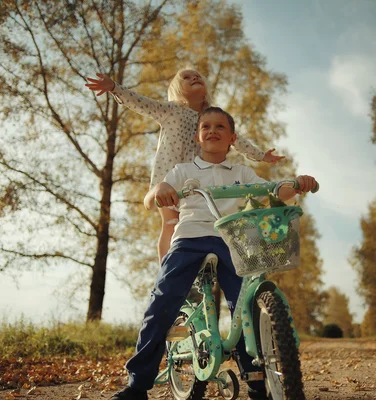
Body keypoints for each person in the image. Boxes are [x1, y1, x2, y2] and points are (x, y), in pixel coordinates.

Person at [111, 107, 317, 400]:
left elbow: (273, 191)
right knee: (163, 301)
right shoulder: (183, 171)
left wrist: (297, 184)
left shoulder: (242, 173)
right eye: (206, 126)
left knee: (244, 305)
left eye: (220, 127)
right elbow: (149, 199)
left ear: (232, 138)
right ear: (198, 135)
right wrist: (160, 189)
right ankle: (137, 384)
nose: (212, 131)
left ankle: (258, 381)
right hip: (190, 239)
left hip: (232, 240)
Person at [85, 70, 284, 264]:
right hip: (168, 182)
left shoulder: (209, 119)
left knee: (194, 227)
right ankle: (166, 271)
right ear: (177, 89)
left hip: (195, 181)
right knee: (171, 225)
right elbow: (142, 103)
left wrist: (261, 156)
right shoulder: (171, 110)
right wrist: (113, 87)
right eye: (186, 78)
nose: (194, 78)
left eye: (197, 76)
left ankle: (202, 272)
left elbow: (237, 140)